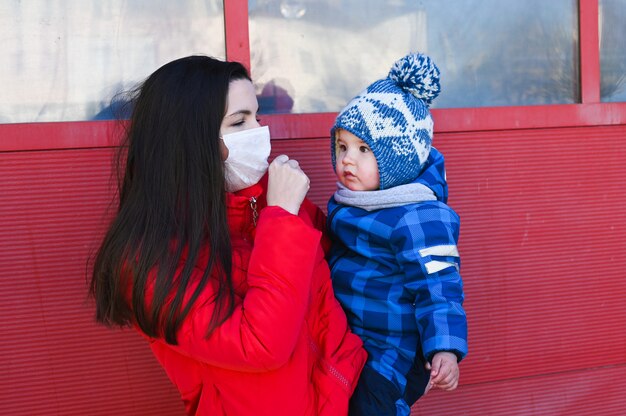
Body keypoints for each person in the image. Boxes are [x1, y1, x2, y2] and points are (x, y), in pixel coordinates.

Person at [89, 55, 366, 416]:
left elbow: (340, 274)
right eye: (239, 122)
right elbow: (261, 345)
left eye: (257, 117)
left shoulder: (265, 195)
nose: (259, 132)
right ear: (188, 138)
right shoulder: (149, 262)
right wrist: (280, 218)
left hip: (345, 396)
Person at [326, 52, 468, 415]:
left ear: (398, 159)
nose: (347, 160)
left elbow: (439, 288)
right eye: (342, 147)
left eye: (363, 149)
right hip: (352, 341)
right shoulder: (351, 202)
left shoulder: (418, 216)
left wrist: (445, 349)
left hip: (393, 353)